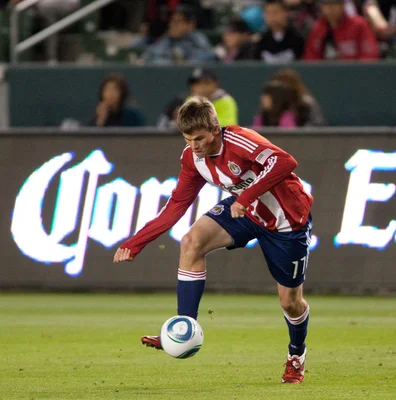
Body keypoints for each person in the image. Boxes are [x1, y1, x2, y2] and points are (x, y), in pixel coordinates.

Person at [113, 97, 313, 384]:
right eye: (187, 139)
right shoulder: (192, 158)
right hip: (245, 212)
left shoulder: (240, 140)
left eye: (199, 138)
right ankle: (183, 328)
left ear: (215, 129)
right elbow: (176, 206)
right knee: (192, 241)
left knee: (290, 302)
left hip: (287, 221)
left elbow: (285, 161)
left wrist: (245, 197)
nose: (194, 146)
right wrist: (136, 242)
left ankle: (296, 355)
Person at [303, 0, 379, 60]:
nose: (330, 9)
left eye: (334, 5)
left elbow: (369, 55)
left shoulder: (359, 24)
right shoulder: (318, 28)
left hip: (356, 74)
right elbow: (310, 58)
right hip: (326, 75)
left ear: (342, 5)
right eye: (326, 5)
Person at [143, 5, 215, 65]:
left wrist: (185, 63)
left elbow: (209, 57)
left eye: (177, 22)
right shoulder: (166, 39)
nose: (172, 25)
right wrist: (173, 63)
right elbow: (150, 57)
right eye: (171, 21)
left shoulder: (196, 37)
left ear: (190, 24)